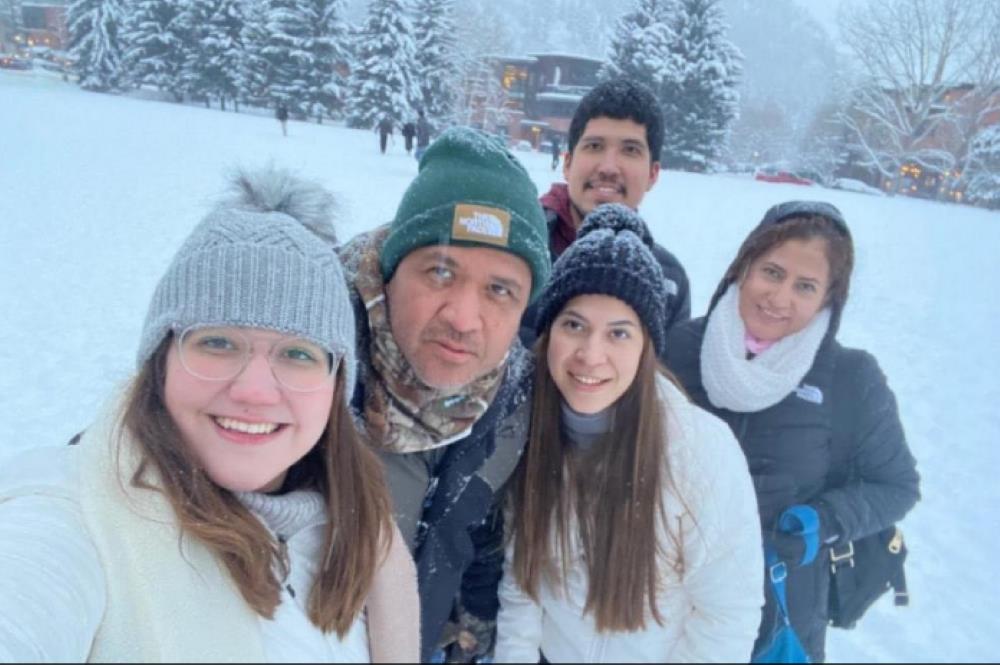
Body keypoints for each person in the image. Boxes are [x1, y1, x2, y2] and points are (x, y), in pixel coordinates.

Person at [0, 168, 420, 662]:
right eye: (217, 343)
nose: (256, 391)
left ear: (336, 383)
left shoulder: (358, 532)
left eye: (298, 354)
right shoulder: (76, 511)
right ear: (161, 360)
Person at [495, 204, 763, 662]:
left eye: (618, 334)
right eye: (574, 325)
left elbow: (726, 616)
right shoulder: (527, 430)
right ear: (547, 333)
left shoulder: (699, 452)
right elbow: (522, 585)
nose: (590, 354)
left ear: (646, 350)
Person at [664, 200, 920, 662]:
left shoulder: (850, 378)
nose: (780, 298)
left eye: (805, 286)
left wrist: (823, 522)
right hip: (670, 603)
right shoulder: (676, 349)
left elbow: (896, 486)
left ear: (828, 297)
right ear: (743, 266)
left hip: (781, 617)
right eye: (772, 272)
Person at [336, 127, 552, 662]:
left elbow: (475, 533)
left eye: (500, 289)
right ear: (390, 270)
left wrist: (472, 626)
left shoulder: (513, 402)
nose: (462, 317)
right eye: (439, 271)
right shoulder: (312, 358)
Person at [521, 78, 691, 356]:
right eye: (595, 146)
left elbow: (660, 387)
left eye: (630, 150)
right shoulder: (517, 249)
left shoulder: (669, 280)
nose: (609, 167)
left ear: (653, 174)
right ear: (567, 163)